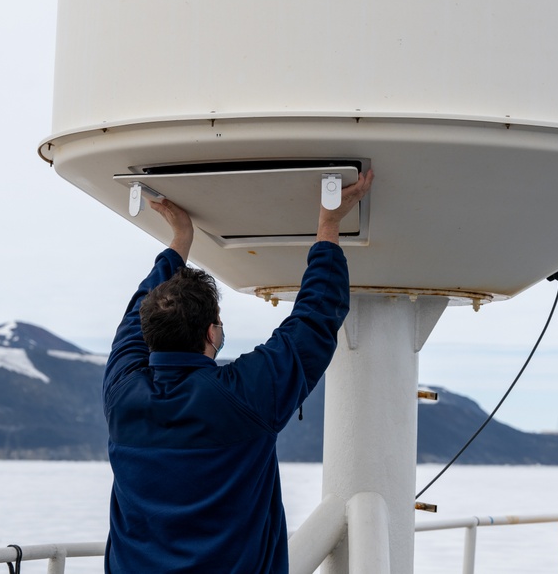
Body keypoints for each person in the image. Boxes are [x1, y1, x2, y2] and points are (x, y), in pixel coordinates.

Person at [102, 170, 374, 573]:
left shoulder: (121, 394)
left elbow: (137, 314)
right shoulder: (241, 398)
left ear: (149, 333)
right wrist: (328, 225)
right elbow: (312, 322)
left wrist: (178, 243)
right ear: (212, 332)